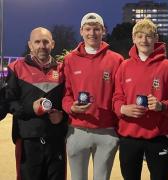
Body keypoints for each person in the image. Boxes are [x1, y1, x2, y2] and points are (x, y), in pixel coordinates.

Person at [113, 18, 168, 180]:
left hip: (157, 137)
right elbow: (116, 97)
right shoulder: (124, 66)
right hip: (129, 136)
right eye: (140, 35)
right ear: (134, 38)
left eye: (149, 36)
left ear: (156, 39)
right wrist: (122, 108)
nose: (144, 40)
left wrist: (162, 106)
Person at [62, 12, 124, 180]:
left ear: (103, 30)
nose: (92, 33)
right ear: (81, 31)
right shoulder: (69, 60)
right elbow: (65, 94)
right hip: (77, 130)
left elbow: (120, 96)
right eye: (88, 29)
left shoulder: (116, 60)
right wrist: (70, 107)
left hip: (107, 132)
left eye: (96, 29)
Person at [5, 27, 67, 180]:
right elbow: (9, 101)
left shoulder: (63, 69)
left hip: (56, 139)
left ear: (52, 44)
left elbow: (68, 100)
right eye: (37, 42)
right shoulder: (16, 68)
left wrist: (62, 116)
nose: (41, 46)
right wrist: (30, 108)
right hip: (27, 139)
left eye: (45, 42)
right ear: (30, 45)